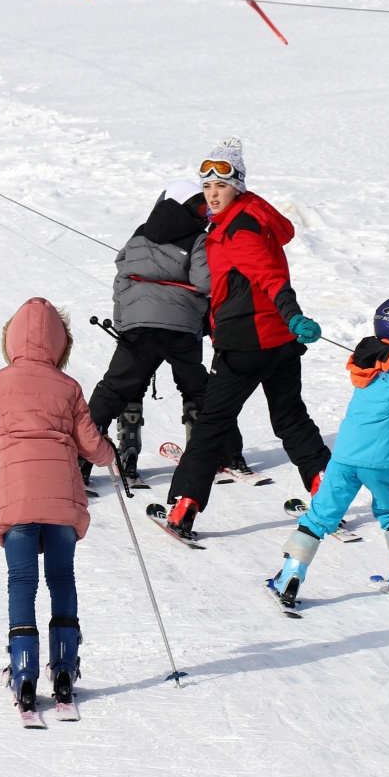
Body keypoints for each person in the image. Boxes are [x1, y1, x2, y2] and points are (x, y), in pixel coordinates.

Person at [163, 137, 330, 538]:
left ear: (237, 184)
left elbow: (271, 278)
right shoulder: (253, 216)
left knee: (212, 426)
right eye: (206, 186)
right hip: (279, 345)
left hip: (245, 343)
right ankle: (326, 494)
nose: (212, 194)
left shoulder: (240, 229)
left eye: (220, 185)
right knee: (291, 419)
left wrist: (293, 315)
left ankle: (184, 507)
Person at [0, 298, 116, 716]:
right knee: (62, 577)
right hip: (63, 499)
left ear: (10, 340)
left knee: (22, 582)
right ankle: (64, 670)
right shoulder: (69, 387)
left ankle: (24, 672)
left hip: (18, 499)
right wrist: (110, 450)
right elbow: (94, 449)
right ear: (61, 345)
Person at [269, 294, 389, 608]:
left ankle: (290, 575)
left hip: (346, 455)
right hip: (385, 462)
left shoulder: (367, 356)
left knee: (321, 514)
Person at [84, 179, 244, 487]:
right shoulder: (198, 237)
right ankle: (219, 455)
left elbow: (121, 281)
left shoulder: (138, 236)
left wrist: (123, 323)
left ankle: (79, 458)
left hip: (137, 327)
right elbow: (205, 282)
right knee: (198, 388)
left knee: (116, 389)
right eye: (200, 207)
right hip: (181, 328)